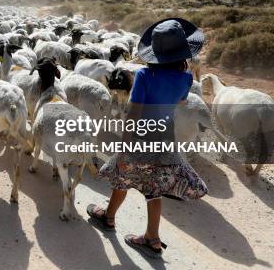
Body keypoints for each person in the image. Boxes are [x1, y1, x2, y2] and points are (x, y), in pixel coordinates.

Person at [87, 18, 208, 259]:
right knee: (155, 186)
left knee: (122, 175)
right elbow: (181, 101)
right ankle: (152, 237)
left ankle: (108, 218)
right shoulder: (186, 79)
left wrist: (123, 148)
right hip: (165, 138)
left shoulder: (144, 76)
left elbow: (133, 112)